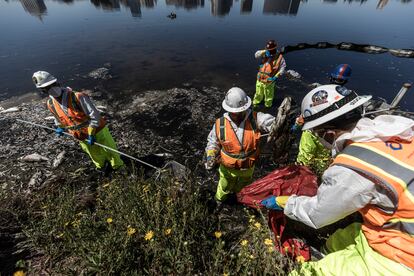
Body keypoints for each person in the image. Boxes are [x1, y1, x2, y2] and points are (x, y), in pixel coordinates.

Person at [262, 84, 414, 275]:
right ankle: (329, 254)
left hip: (404, 255)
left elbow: (317, 214)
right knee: (344, 237)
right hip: (394, 225)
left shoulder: (352, 166)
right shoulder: (398, 131)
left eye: (318, 134)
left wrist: (284, 203)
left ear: (328, 133)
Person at [32, 71, 124, 172]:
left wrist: (91, 133)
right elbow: (58, 118)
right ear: (43, 90)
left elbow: (95, 116)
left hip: (98, 131)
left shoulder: (78, 96)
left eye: (52, 85)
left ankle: (119, 167)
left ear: (57, 83)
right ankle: (102, 167)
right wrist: (60, 127)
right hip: (80, 135)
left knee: (110, 150)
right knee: (93, 153)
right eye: (48, 87)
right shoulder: (51, 104)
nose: (52, 88)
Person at [205, 87, 274, 203]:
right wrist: (211, 155)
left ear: (246, 107)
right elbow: (212, 142)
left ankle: (240, 199)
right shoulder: (220, 124)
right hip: (227, 168)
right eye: (233, 112)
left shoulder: (256, 119)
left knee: (243, 188)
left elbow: (272, 123)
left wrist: (284, 123)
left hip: (248, 167)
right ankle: (219, 200)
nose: (236, 115)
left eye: (239, 112)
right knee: (224, 186)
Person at [294, 64, 353, 174]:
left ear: (330, 77)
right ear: (346, 81)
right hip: (330, 138)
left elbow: (309, 110)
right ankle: (316, 180)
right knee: (322, 162)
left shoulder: (321, 92)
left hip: (312, 132)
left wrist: (297, 124)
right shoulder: (349, 97)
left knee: (304, 161)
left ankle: (301, 178)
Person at [253, 40, 286, 108]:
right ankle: (255, 104)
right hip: (260, 79)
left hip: (269, 81)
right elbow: (256, 55)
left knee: (269, 95)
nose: (269, 51)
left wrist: (275, 77)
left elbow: (282, 69)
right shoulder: (264, 53)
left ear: (275, 49)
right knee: (258, 93)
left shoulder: (280, 58)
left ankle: (268, 106)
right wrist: (264, 51)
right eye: (268, 49)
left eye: (270, 50)